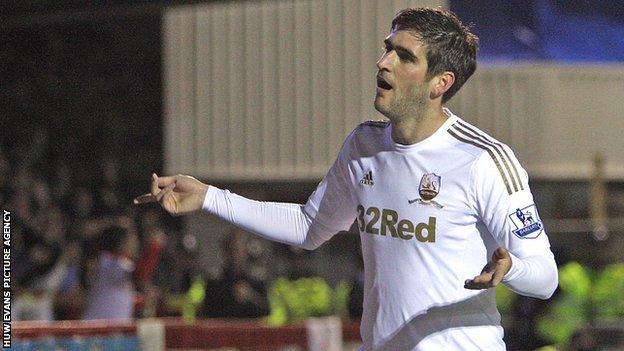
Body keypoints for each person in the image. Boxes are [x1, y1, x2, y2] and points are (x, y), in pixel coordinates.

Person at [135, 7, 558, 350]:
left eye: (404, 56)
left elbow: (545, 277)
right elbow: (309, 227)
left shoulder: (484, 159)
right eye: (387, 48)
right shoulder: (364, 145)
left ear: (440, 83)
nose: (384, 62)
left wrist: (511, 269)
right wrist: (209, 196)